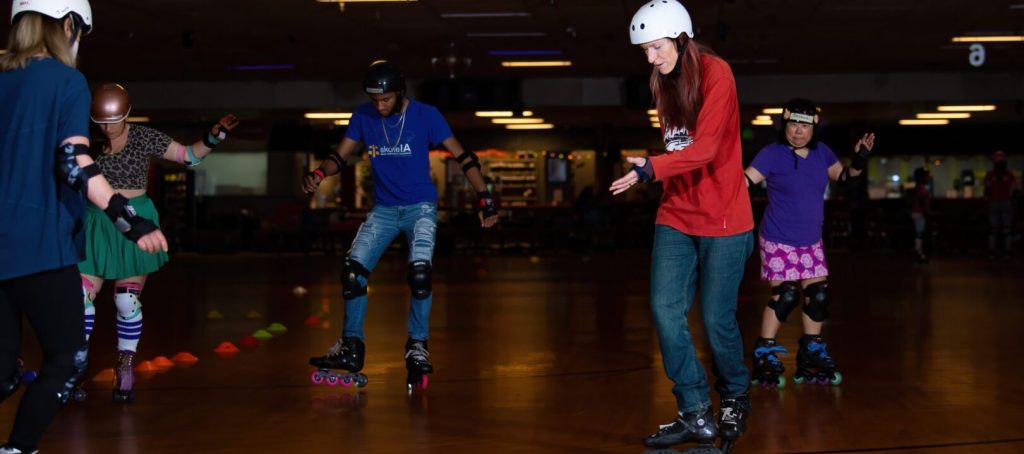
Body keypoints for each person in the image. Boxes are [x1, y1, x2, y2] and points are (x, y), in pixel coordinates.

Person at [0, 1, 166, 452]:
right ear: (70, 25)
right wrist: (127, 218)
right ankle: (18, 448)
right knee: (67, 357)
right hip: (40, 243)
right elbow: (73, 161)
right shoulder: (65, 80)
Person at [303, 60, 499, 391]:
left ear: (400, 92)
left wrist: (485, 198)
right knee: (353, 272)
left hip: (420, 208)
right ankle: (351, 346)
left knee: (419, 273)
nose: (379, 106)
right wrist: (319, 174)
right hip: (383, 210)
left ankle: (417, 346)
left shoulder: (426, 115)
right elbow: (340, 156)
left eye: (386, 99)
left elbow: (463, 156)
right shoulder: (363, 116)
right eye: (374, 99)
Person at [612, 0, 753, 450]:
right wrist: (656, 167)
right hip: (676, 212)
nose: (650, 58)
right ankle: (694, 409)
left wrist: (649, 169)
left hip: (726, 216)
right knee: (664, 310)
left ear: (680, 37)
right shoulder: (661, 83)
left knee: (716, 320)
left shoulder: (717, 74)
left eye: (655, 47)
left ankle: (734, 395)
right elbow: (677, 149)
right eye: (645, 51)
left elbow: (707, 147)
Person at [78, 83, 238, 402]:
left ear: (127, 115)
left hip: (135, 223)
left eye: (114, 121)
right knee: (79, 299)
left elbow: (188, 156)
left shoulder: (143, 137)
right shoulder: (86, 141)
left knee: (125, 301)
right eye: (101, 123)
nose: (107, 129)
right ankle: (76, 364)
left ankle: (125, 362)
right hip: (96, 223)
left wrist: (214, 136)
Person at [743, 98, 874, 389]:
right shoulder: (771, 154)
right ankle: (764, 352)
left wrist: (860, 160)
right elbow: (745, 182)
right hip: (777, 238)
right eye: (793, 125)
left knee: (819, 295)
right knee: (786, 295)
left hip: (811, 240)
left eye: (804, 125)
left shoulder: (822, 153)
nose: (798, 131)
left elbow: (846, 179)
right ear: (784, 125)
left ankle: (811, 351)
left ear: (814, 127)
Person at [984, 150, 1016, 259]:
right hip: (1005, 202)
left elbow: (987, 190)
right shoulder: (1009, 175)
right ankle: (1006, 252)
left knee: (993, 230)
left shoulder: (990, 175)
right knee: (1006, 230)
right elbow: (1013, 191)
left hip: (995, 202)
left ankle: (992, 252)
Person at [910, 167, 931, 262]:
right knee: (919, 235)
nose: (928, 178)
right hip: (919, 215)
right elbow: (924, 206)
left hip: (916, 214)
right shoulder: (921, 190)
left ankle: (919, 253)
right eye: (927, 176)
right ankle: (919, 253)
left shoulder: (917, 189)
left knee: (919, 234)